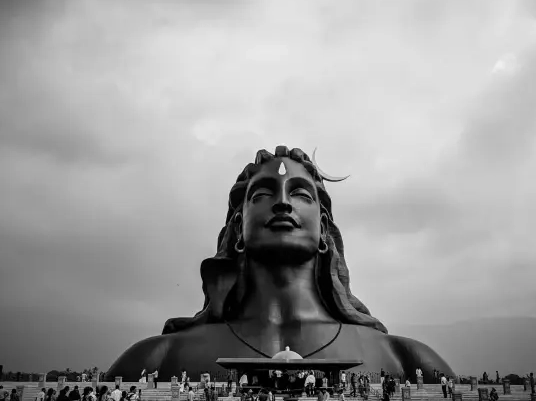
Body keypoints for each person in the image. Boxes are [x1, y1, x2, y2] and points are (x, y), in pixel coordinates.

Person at [104, 147, 454, 381]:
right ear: (239, 228)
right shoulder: (157, 357)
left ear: (324, 231)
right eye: (263, 194)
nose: (283, 202)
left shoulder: (407, 359)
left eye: (301, 194)